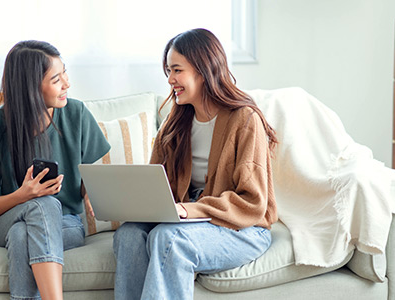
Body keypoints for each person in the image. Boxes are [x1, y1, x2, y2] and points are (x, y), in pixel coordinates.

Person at [113, 28, 279, 300]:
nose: (170, 80)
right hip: (191, 220)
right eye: (168, 71)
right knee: (128, 236)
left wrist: (190, 210)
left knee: (169, 240)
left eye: (177, 70)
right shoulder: (175, 123)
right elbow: (157, 185)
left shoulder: (245, 120)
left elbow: (252, 202)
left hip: (242, 228)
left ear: (202, 70)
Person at [0, 40, 110, 300]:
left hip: (66, 224)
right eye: (56, 79)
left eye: (65, 72)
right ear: (30, 87)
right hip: (2, 223)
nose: (67, 83)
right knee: (43, 204)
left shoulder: (76, 114)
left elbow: (88, 178)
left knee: (24, 235)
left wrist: (93, 192)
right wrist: (25, 194)